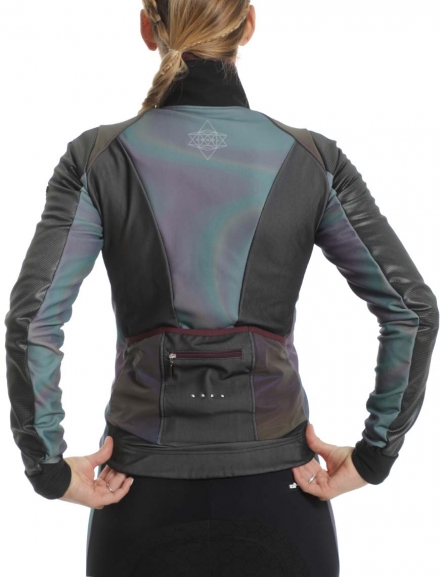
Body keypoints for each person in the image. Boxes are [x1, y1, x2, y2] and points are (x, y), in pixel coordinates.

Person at [4, 1, 438, 576]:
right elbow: (411, 309)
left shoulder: (96, 159)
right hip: (283, 498)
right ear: (248, 24)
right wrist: (376, 455)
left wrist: (48, 467)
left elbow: (33, 318)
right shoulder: (313, 160)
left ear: (147, 26)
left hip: (139, 496)